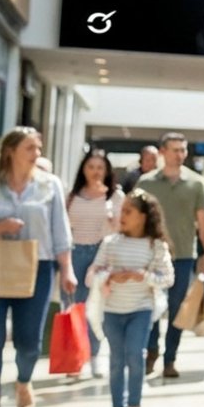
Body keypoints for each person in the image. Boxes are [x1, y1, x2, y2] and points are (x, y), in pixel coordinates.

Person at [0, 127, 73, 407]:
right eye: (30, 148)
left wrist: (66, 269)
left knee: (29, 340)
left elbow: (60, 230)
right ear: (10, 151)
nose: (37, 154)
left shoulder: (49, 185)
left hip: (38, 268)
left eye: (38, 148)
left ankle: (24, 380)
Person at [87, 190, 175, 407]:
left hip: (141, 309)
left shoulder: (155, 246)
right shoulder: (110, 243)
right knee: (116, 359)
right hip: (112, 311)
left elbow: (167, 278)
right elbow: (92, 275)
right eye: (121, 210)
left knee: (135, 356)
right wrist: (110, 275)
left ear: (144, 217)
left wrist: (142, 276)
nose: (121, 215)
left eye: (128, 211)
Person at [136, 133, 204, 378]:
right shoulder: (146, 183)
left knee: (177, 308)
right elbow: (136, 219)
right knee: (150, 306)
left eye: (183, 150)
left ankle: (170, 358)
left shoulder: (196, 183)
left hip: (182, 256)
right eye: (175, 150)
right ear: (163, 152)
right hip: (150, 256)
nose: (180, 155)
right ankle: (151, 352)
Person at [66, 150, 125, 379]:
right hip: (75, 253)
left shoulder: (115, 196)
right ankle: (75, 358)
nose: (95, 172)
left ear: (107, 171)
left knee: (96, 308)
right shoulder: (73, 196)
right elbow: (65, 226)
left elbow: (120, 229)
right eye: (91, 167)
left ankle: (94, 357)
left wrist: (110, 214)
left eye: (100, 167)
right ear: (84, 169)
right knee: (74, 306)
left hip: (103, 255)